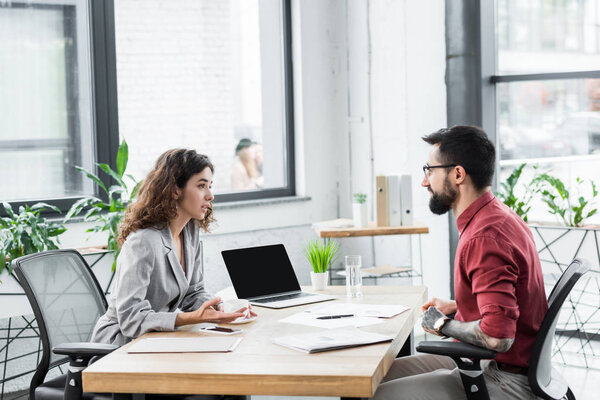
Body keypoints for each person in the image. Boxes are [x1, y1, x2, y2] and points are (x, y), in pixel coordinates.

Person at [372, 126, 548, 400]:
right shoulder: (498, 216)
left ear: (457, 174)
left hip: (503, 376)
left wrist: (442, 325)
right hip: (505, 365)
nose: (424, 182)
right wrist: (458, 307)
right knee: (374, 378)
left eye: (429, 170)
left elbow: (498, 337)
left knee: (379, 395)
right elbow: (511, 300)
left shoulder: (484, 238)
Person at [92, 149, 256, 347]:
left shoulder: (189, 231)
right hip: (120, 345)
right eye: (201, 185)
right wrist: (194, 318)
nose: (210, 196)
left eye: (210, 186)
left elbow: (194, 293)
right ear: (175, 190)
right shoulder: (143, 241)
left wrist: (220, 309)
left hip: (157, 339)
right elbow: (130, 319)